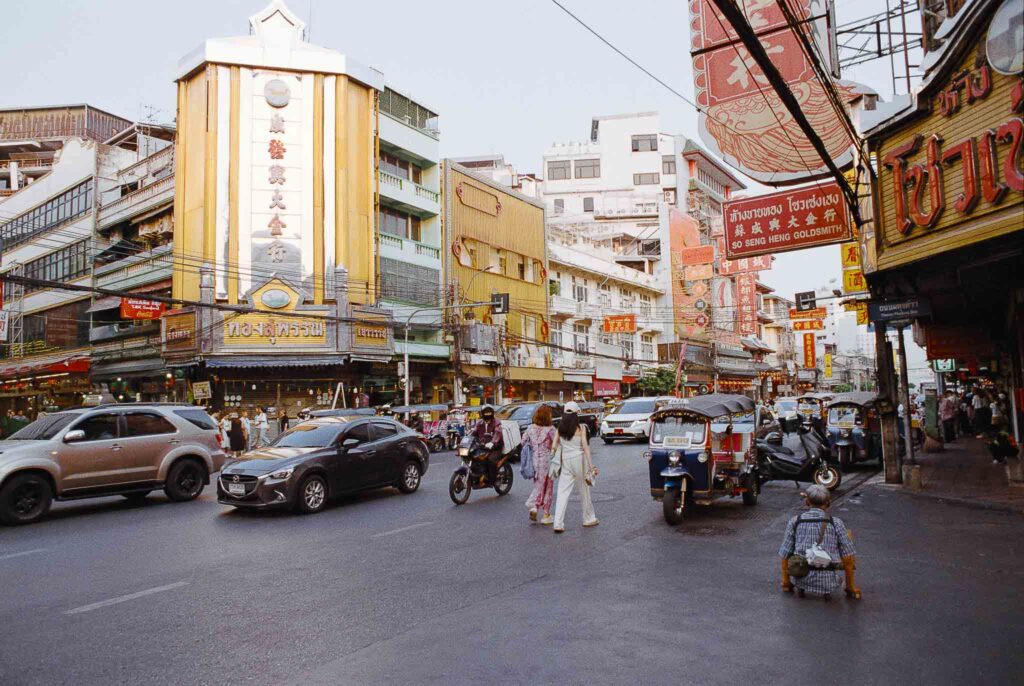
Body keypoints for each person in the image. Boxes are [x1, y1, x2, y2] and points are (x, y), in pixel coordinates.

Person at [779, 485, 860, 600]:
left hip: (800, 578)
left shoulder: (795, 521)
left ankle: (790, 584)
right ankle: (849, 586)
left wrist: (786, 582)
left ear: (807, 502)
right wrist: (851, 587)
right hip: (829, 583)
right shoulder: (836, 523)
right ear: (828, 503)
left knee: (788, 550)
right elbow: (848, 557)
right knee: (848, 541)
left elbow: (785, 554)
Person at [551, 402, 598, 533]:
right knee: (584, 490)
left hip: (566, 460)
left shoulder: (560, 428)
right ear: (577, 413)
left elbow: (554, 446)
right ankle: (588, 518)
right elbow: (586, 448)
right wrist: (591, 466)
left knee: (562, 492)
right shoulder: (581, 428)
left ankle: (558, 523)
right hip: (580, 459)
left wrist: (554, 459)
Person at [522, 404, 557, 525]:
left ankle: (535, 508)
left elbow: (523, 442)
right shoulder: (551, 429)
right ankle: (545, 513)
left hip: (534, 461)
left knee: (538, 485)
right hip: (547, 461)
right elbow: (556, 444)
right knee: (547, 487)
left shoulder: (530, 428)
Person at [472, 405, 504, 484]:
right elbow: (473, 432)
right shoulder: (479, 423)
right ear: (482, 414)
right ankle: (478, 474)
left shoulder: (497, 423)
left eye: (489, 412)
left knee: (490, 460)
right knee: (473, 456)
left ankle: (492, 479)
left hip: (495, 448)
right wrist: (465, 439)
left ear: (492, 413)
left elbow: (498, 433)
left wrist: (493, 442)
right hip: (482, 447)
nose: (487, 414)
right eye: (485, 413)